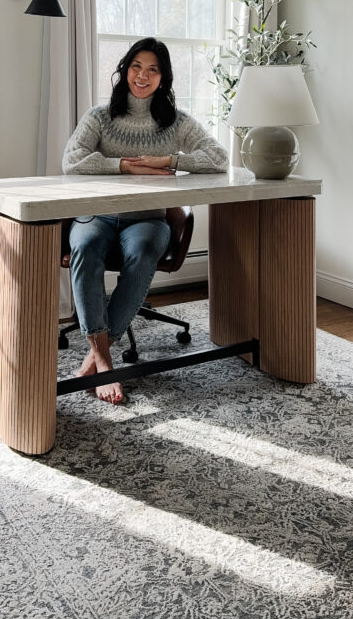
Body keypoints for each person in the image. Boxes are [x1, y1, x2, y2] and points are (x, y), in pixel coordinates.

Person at [62, 36, 229, 405]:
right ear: (125, 71)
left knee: (146, 248)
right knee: (85, 248)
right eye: (136, 66)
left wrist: (165, 162)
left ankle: (95, 357)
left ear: (163, 78)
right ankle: (105, 360)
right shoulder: (99, 116)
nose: (143, 75)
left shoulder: (175, 122)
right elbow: (72, 161)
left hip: (147, 219)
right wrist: (124, 165)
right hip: (98, 216)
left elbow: (219, 158)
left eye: (153, 69)